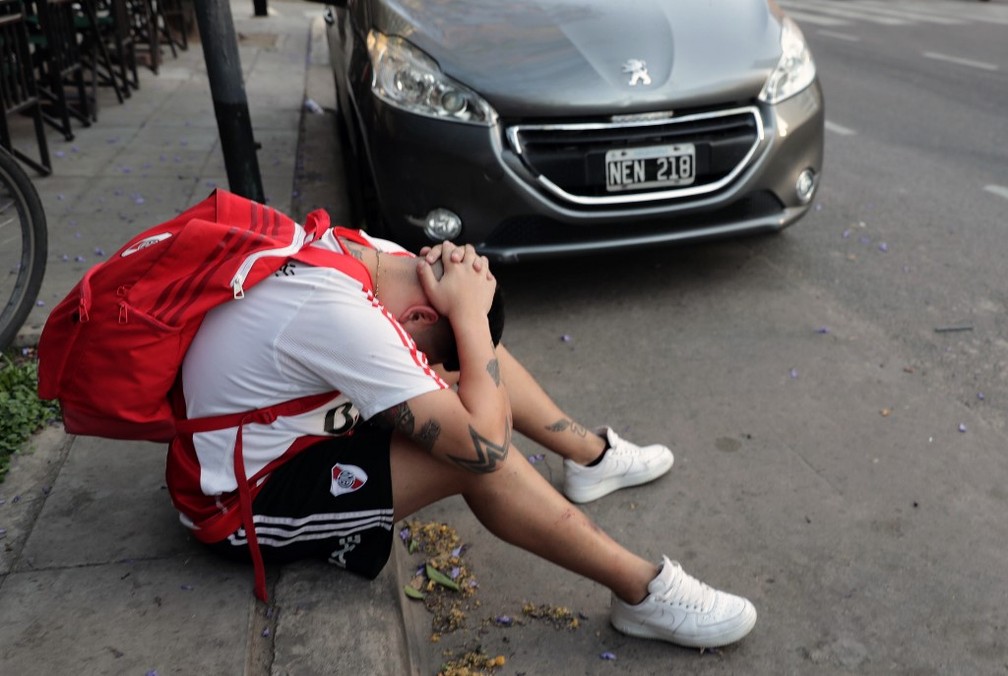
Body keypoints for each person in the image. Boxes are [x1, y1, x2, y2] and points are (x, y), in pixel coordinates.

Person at [166, 226, 757, 650]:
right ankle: (642, 594)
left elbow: (458, 346)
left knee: (473, 356)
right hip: (238, 502)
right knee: (475, 451)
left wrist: (472, 324)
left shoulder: (379, 254)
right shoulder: (345, 320)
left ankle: (590, 457)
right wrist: (470, 323)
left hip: (277, 425)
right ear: (422, 317)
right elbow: (485, 445)